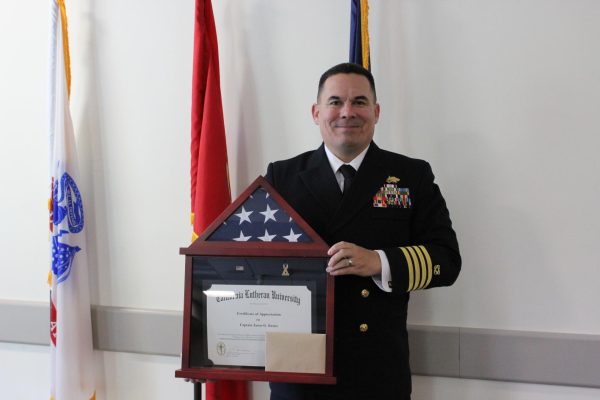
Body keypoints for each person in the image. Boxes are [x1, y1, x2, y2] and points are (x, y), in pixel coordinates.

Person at [265, 62, 461, 400]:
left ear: (376, 111)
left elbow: (447, 260)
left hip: (376, 371)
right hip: (301, 370)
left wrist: (379, 262)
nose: (347, 112)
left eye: (359, 102)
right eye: (335, 102)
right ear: (316, 112)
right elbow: (253, 264)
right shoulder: (282, 177)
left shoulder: (411, 176)